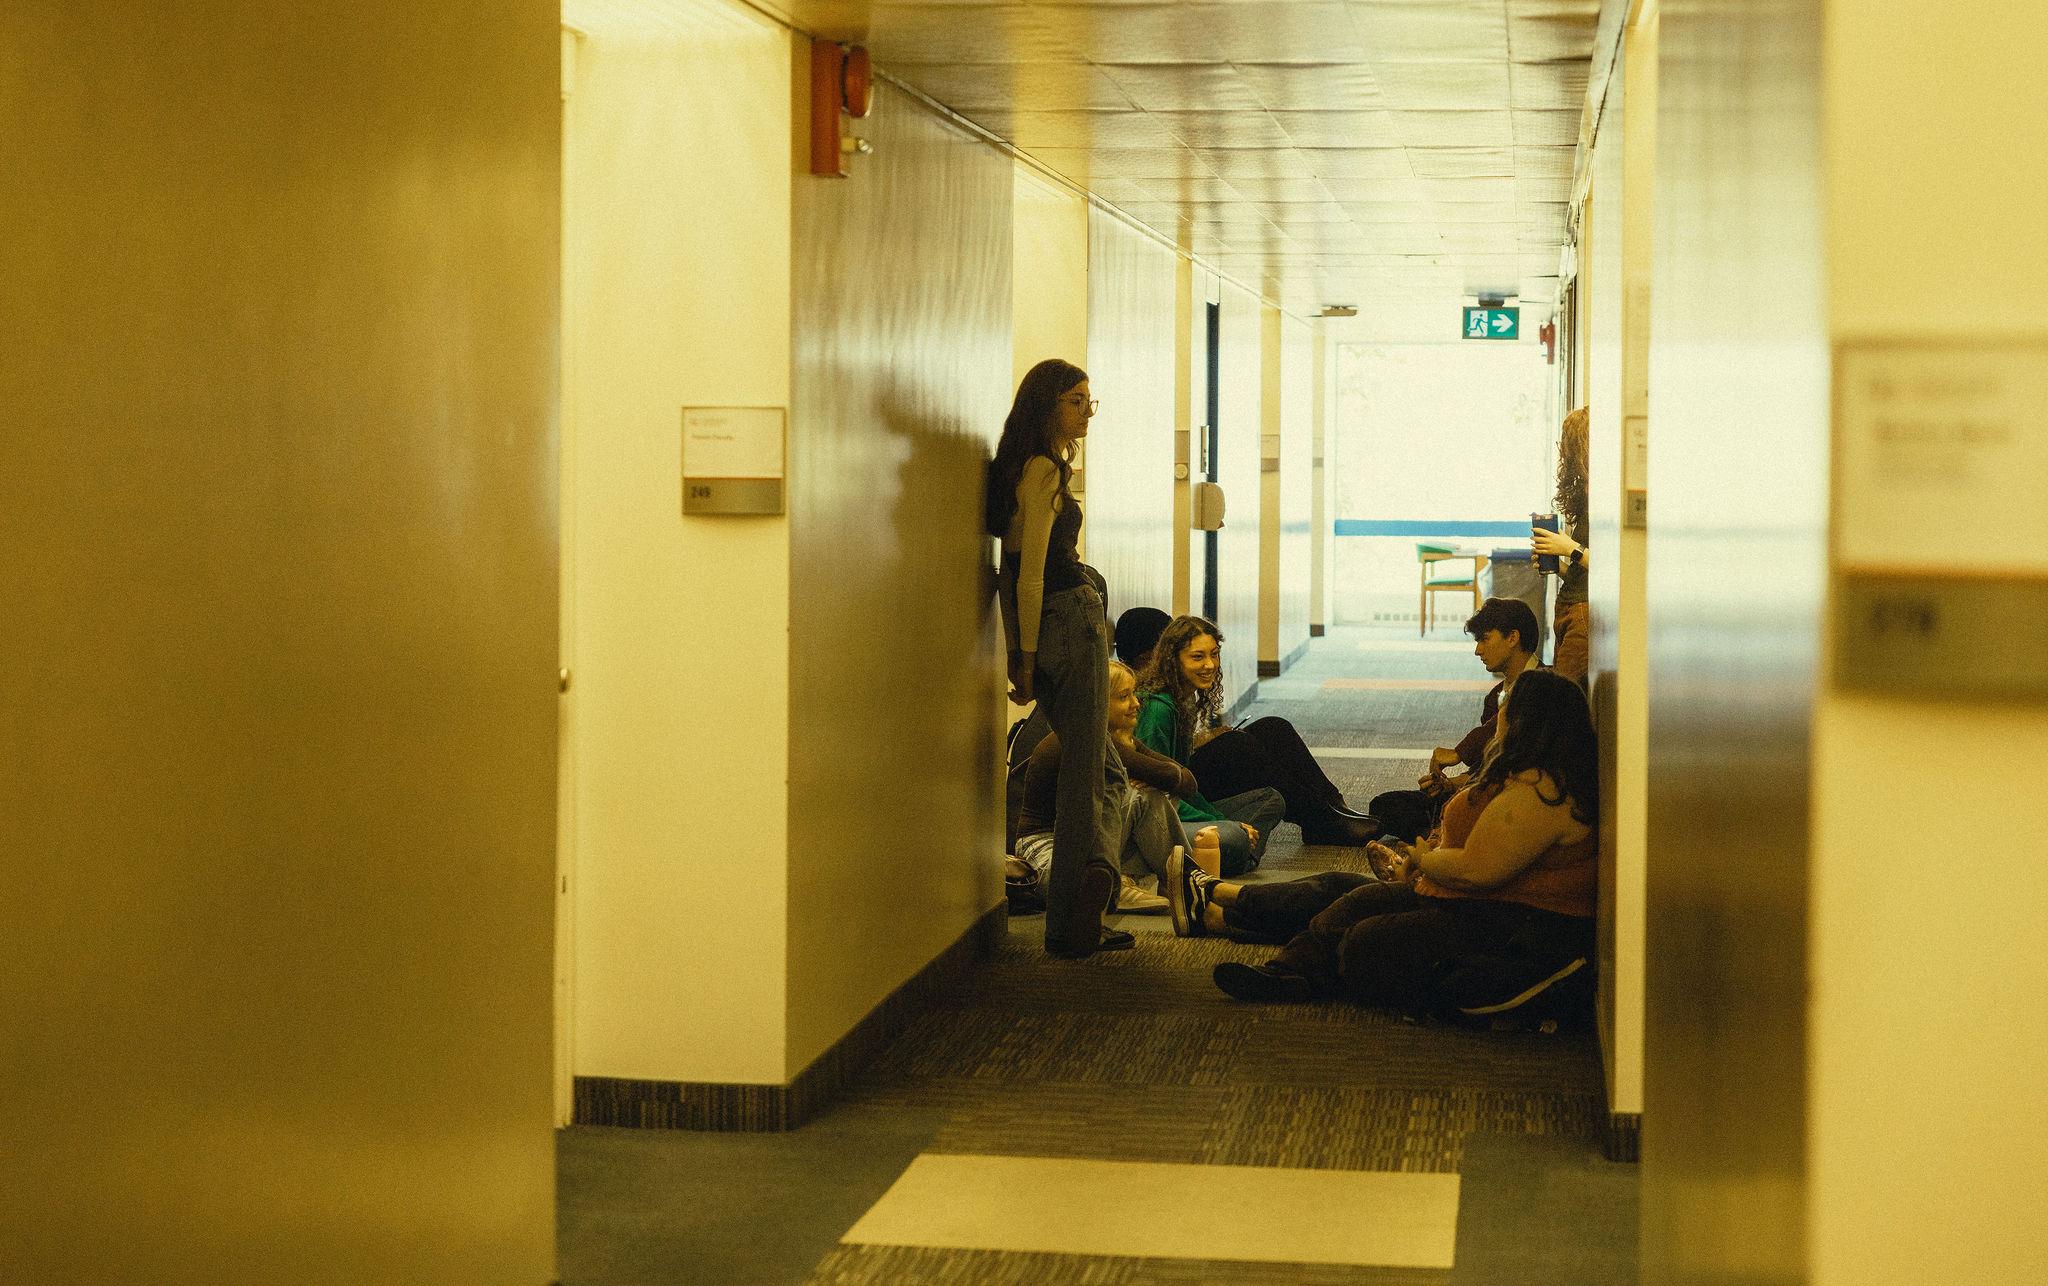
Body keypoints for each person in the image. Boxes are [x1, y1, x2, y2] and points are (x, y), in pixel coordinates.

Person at [1202, 670, 1599, 1026]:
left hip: (1506, 922)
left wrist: (1424, 860)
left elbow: (1476, 871)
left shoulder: (1541, 792)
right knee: (1352, 900)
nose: (1500, 715)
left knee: (1364, 940)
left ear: (1528, 720)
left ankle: (1245, 925)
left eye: (1508, 706)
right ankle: (1287, 971)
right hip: (1471, 901)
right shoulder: (1525, 775)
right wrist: (1424, 863)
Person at [989, 358, 1121, 958]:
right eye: (1075, 400)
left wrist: (1020, 649)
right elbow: (1030, 570)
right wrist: (1022, 655)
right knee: (1086, 780)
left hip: (1047, 630)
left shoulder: (1024, 465)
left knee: (1104, 771)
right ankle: (1073, 918)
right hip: (1070, 623)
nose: (1085, 412)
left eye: (1090, 401)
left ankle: (1089, 889)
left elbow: (1008, 570)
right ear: (1046, 404)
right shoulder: (1042, 469)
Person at [1138, 615, 1379, 856]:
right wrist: (1220, 821)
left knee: (1273, 728)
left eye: (1214, 654)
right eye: (1197, 657)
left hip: (1187, 783)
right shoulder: (1159, 710)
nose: (1210, 665)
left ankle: (1334, 806)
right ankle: (1322, 819)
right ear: (1173, 660)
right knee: (1240, 747)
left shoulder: (1184, 695)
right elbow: (1159, 788)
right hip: (1175, 798)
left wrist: (1204, 739)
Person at [1014, 661, 1223, 915]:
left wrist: (1160, 777)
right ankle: (1155, 885)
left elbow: (1188, 783)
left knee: (1148, 797)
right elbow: (1168, 776)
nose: (1136, 704)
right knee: (1143, 799)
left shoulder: (1120, 739)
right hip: (1046, 852)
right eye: (1124, 697)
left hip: (1088, 845)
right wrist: (1158, 777)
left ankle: (1179, 884)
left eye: (1133, 694)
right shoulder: (1082, 738)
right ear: (1099, 702)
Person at [1368, 597, 1542, 841]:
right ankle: (1442, 832)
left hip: (1517, 799)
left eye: (1485, 639)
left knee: (1459, 813)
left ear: (1512, 638)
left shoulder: (1544, 687)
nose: (1478, 650)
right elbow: (1485, 765)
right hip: (1483, 789)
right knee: (1384, 806)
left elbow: (1513, 722)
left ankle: (1443, 835)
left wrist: (1459, 752)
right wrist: (1452, 784)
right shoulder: (1495, 696)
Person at [1531, 406, 1590, 687]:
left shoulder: (1607, 496)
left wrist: (1569, 548)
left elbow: (1614, 567)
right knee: (1564, 689)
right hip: (1570, 604)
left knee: (1561, 692)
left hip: (1583, 609)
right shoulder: (1589, 493)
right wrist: (1558, 564)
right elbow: (1584, 570)